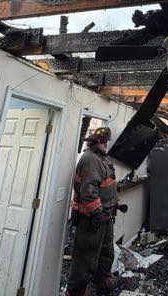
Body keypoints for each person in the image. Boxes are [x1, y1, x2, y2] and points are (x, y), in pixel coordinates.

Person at [65, 127, 119, 296]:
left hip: (105, 217)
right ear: (94, 143)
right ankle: (75, 291)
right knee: (85, 258)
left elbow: (106, 184)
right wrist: (97, 213)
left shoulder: (101, 159)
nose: (105, 145)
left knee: (106, 252)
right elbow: (89, 193)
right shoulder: (90, 160)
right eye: (103, 142)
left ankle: (103, 282)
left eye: (106, 141)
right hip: (92, 219)